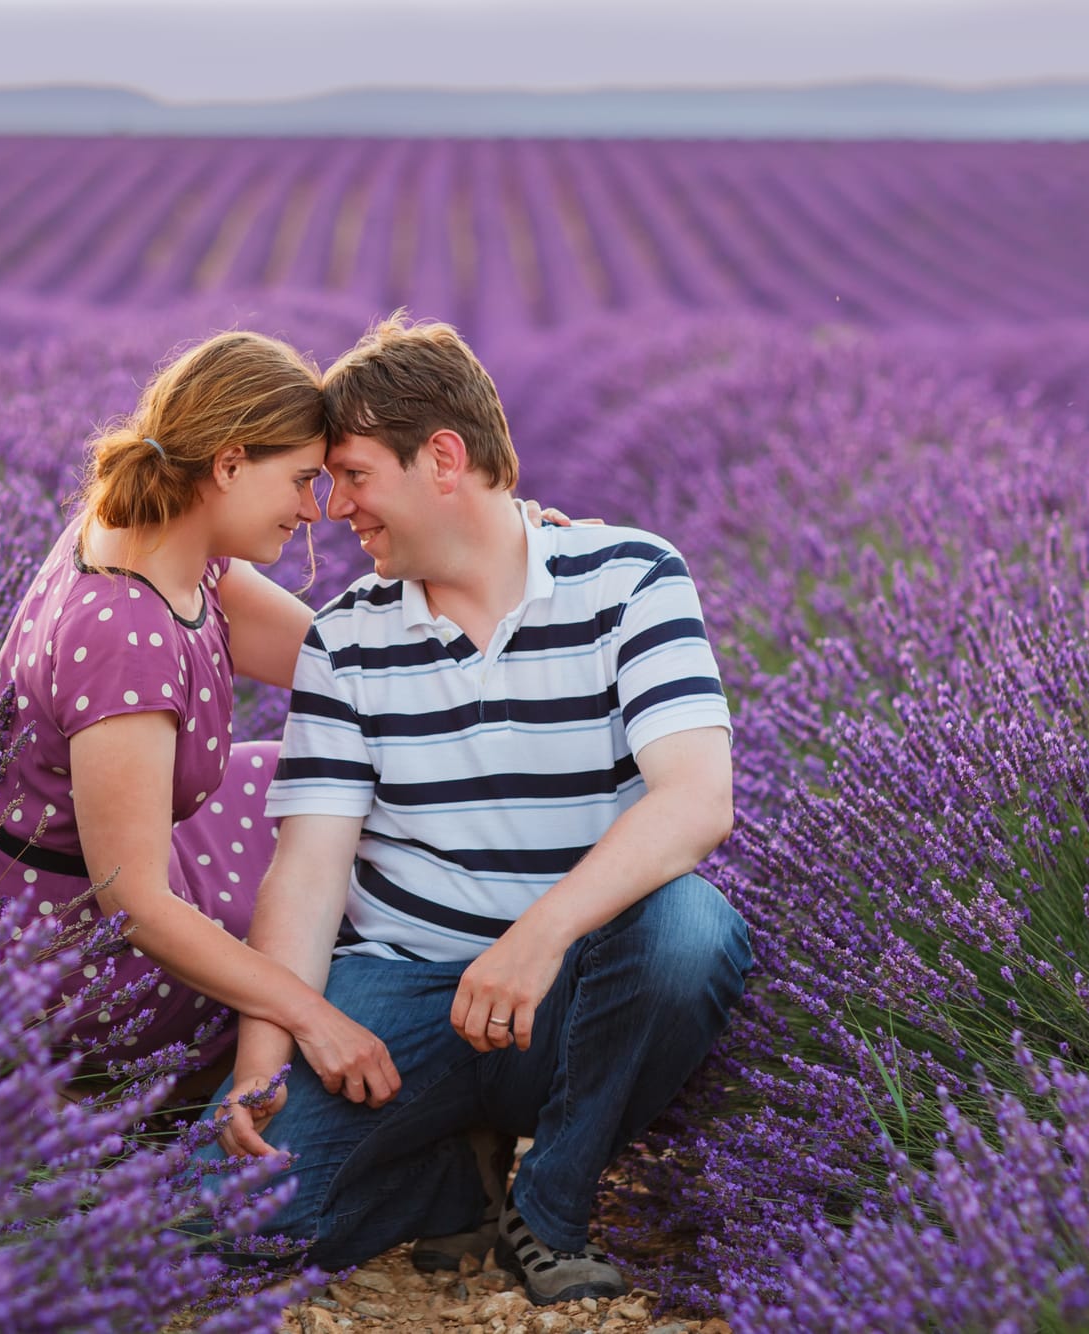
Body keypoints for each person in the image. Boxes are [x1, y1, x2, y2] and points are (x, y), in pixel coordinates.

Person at [209, 314, 754, 1306]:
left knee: (689, 932)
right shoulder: (345, 640)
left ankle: (547, 1204)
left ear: (443, 459)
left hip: (574, 991)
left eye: (353, 473)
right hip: (404, 997)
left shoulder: (629, 577)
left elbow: (695, 799)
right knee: (227, 1217)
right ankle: (441, 1172)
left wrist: (536, 935)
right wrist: (266, 1052)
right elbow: (308, 868)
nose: (334, 508)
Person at [0, 329, 407, 1080]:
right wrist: (310, 1012)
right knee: (331, 928)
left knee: (326, 800)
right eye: (299, 480)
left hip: (95, 862)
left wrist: (512, 555)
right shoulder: (126, 637)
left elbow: (341, 665)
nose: (314, 509)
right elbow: (133, 903)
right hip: (59, 952)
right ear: (229, 464)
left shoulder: (156, 533)